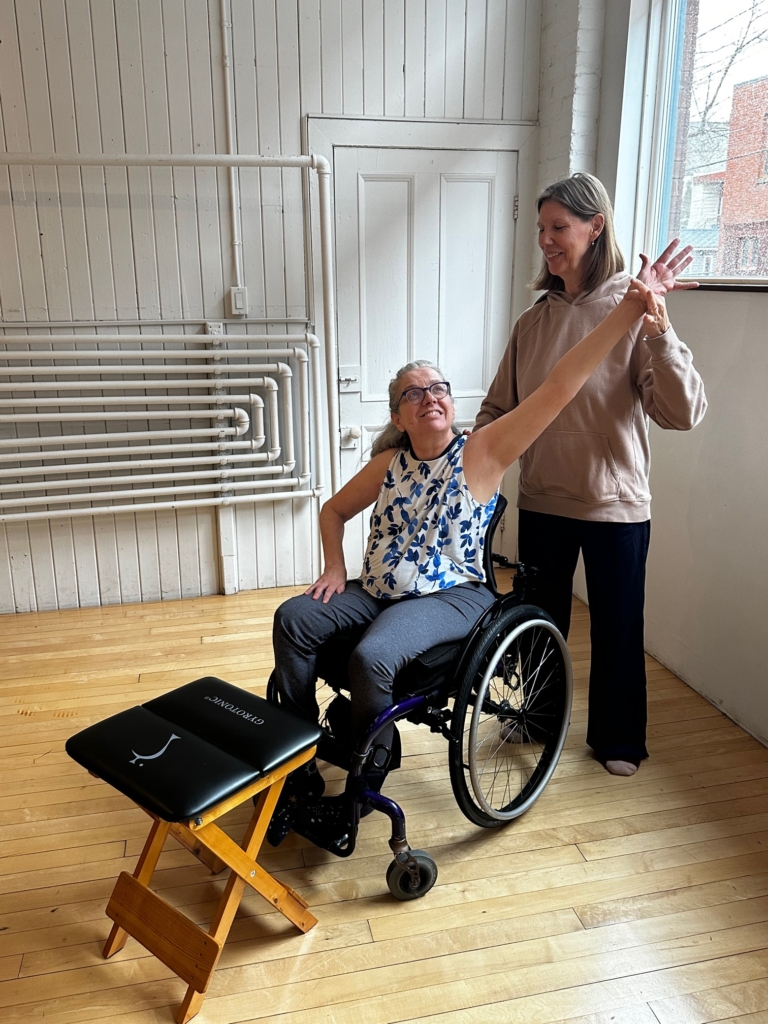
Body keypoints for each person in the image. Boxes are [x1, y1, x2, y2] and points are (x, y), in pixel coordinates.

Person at [269, 276, 663, 848]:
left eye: (439, 387)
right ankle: (299, 752)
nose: (429, 395)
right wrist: (334, 568)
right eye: (413, 392)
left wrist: (629, 310)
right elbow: (332, 511)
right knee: (293, 618)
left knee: (372, 656)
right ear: (399, 416)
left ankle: (361, 787)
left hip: (452, 596)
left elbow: (558, 385)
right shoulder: (389, 464)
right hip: (378, 588)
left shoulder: (482, 452)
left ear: (452, 404)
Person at [474, 172, 707, 778]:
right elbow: (499, 408)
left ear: (595, 227)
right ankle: (539, 718)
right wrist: (470, 460)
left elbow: (682, 413)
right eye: (541, 230)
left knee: (619, 628)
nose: (547, 242)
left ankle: (619, 739)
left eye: (559, 228)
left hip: (616, 506)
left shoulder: (634, 307)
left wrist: (657, 327)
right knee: (536, 622)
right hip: (545, 498)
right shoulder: (534, 322)